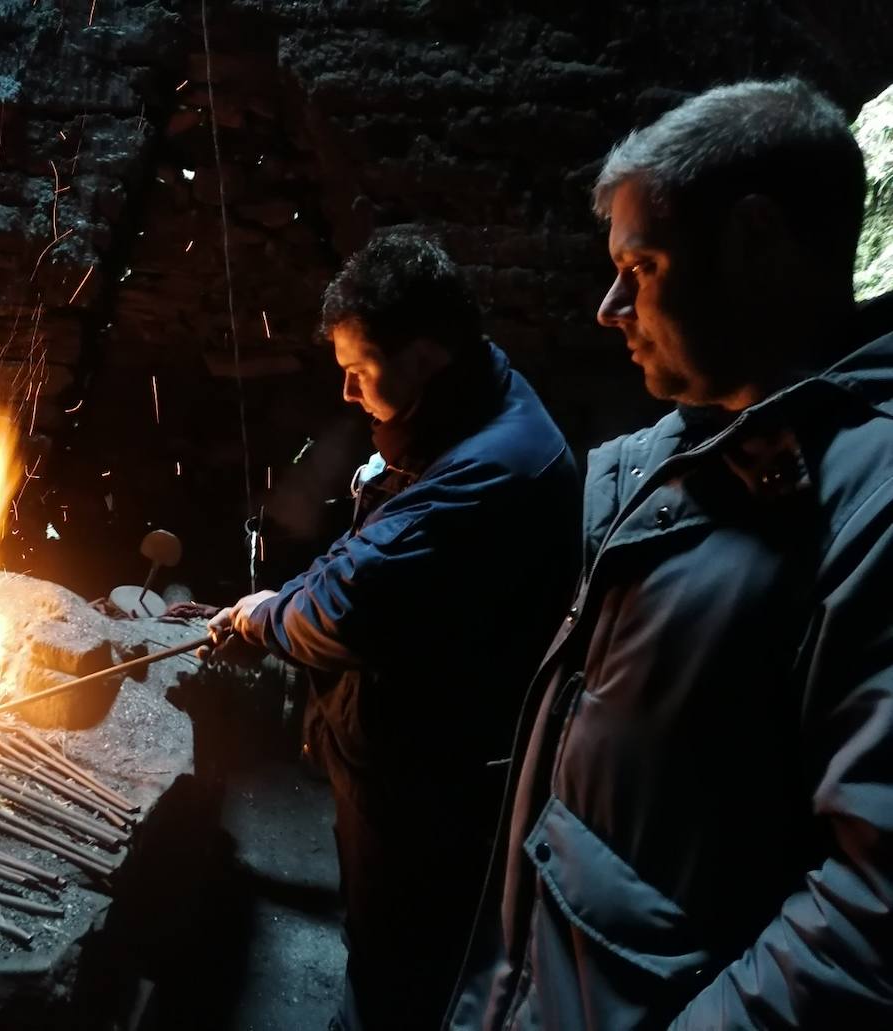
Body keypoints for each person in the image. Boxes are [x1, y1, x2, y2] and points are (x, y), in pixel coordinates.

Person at [447, 78, 893, 1030]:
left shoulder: (869, 513)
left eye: (641, 267)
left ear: (756, 243)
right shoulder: (679, 463)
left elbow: (870, 924)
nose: (609, 306)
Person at [207, 227, 581, 1030]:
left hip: (431, 782)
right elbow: (369, 554)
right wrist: (279, 600)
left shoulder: (488, 471)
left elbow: (351, 602)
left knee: (399, 961)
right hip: (412, 756)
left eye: (359, 370)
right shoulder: (470, 403)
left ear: (422, 356)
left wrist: (266, 616)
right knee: (388, 943)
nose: (347, 392)